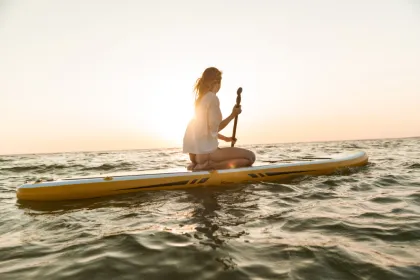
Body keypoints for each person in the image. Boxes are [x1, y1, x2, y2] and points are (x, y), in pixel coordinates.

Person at [182, 67, 256, 171]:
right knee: (250, 157)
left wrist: (226, 139)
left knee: (244, 159)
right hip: (207, 154)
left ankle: (199, 164)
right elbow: (214, 128)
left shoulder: (200, 100)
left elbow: (205, 130)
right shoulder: (212, 98)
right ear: (216, 82)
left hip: (195, 156)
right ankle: (210, 166)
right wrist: (233, 115)